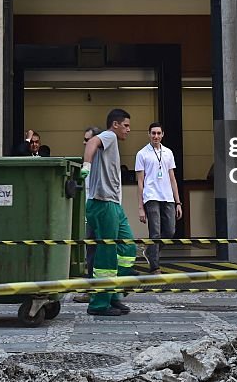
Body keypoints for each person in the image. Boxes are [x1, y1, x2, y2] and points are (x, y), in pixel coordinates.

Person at [81, 109, 136, 316]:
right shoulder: (110, 136)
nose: (129, 130)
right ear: (115, 124)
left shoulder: (112, 141)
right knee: (106, 255)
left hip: (112, 204)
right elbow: (93, 141)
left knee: (128, 247)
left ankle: (114, 294)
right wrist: (86, 164)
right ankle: (99, 304)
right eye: (126, 125)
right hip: (103, 204)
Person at [135, 122, 182, 273]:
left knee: (170, 231)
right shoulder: (142, 154)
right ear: (148, 134)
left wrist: (178, 202)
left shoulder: (168, 152)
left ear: (163, 135)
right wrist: (141, 207)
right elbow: (140, 182)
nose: (156, 136)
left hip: (167, 196)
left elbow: (172, 178)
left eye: (158, 133)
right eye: (153, 133)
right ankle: (155, 266)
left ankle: (150, 251)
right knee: (155, 232)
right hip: (151, 196)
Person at [74, 126, 103, 304]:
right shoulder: (88, 162)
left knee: (99, 252)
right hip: (90, 212)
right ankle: (93, 289)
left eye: (88, 139)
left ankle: (100, 290)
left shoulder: (101, 162)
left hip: (100, 212)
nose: (84, 143)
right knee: (91, 252)